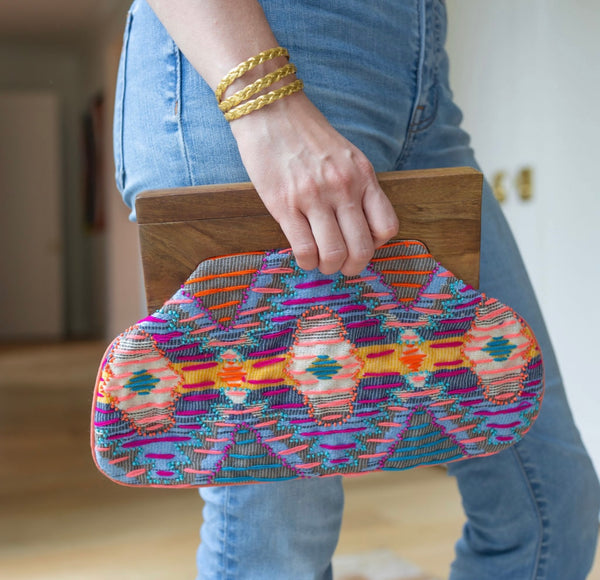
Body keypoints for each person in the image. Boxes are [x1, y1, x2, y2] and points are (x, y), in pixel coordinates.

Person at [113, 1, 600, 578]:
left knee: (547, 506)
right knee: (283, 539)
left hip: (417, 75)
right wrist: (264, 98)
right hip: (266, 58)